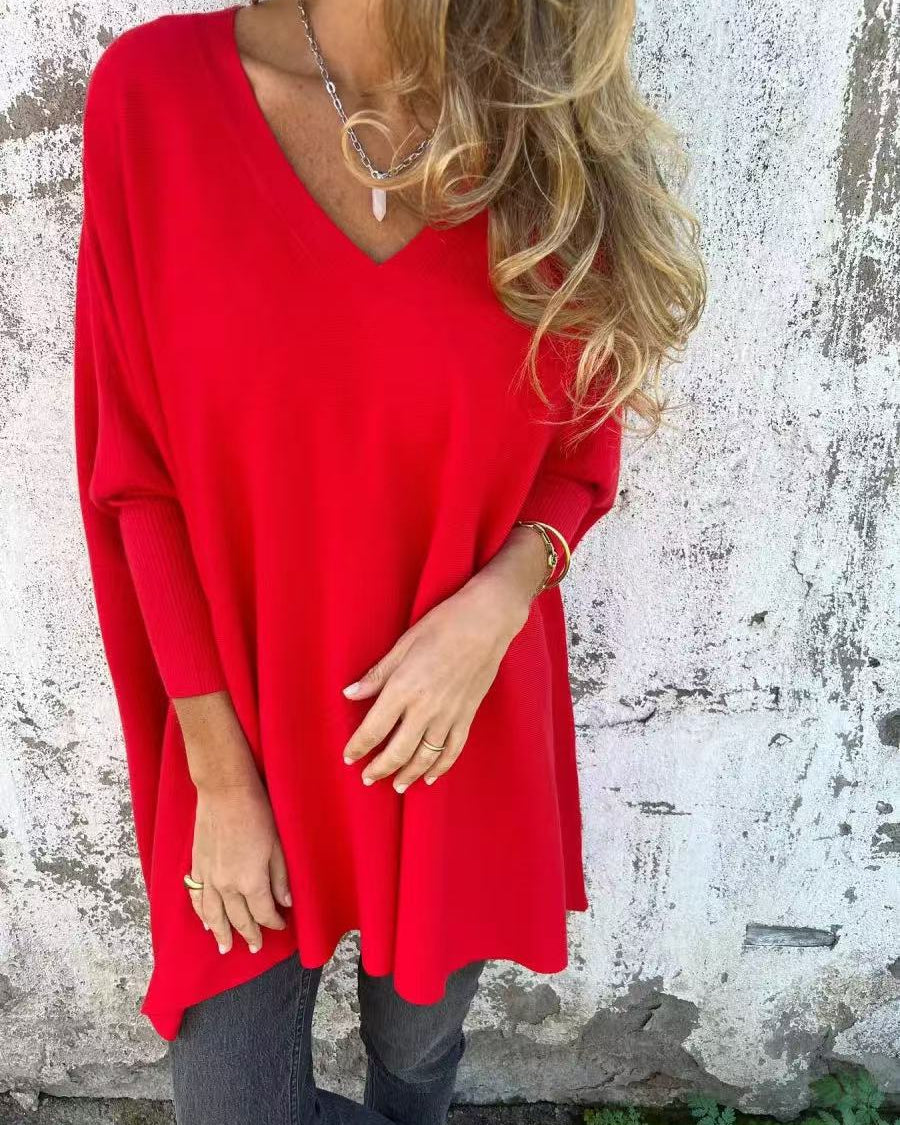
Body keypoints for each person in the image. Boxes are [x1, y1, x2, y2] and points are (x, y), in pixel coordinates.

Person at [73, 0, 705, 1121]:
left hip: (450, 720)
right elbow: (137, 475)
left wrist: (497, 608)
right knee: (234, 1103)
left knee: (417, 1057)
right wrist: (219, 777)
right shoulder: (154, 95)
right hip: (241, 723)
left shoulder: (543, 126)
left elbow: (580, 455)